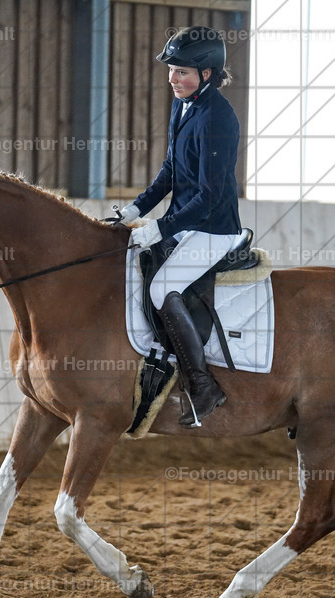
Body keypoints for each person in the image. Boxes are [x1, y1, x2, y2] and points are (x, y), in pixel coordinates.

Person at [118, 26, 242, 428]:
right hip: (186, 224)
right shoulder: (183, 106)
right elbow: (170, 171)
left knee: (161, 288)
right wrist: (137, 207)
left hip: (214, 228)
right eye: (171, 70)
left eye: (182, 72)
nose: (173, 78)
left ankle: (203, 386)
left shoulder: (218, 117)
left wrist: (160, 226)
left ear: (206, 74)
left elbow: (209, 196)